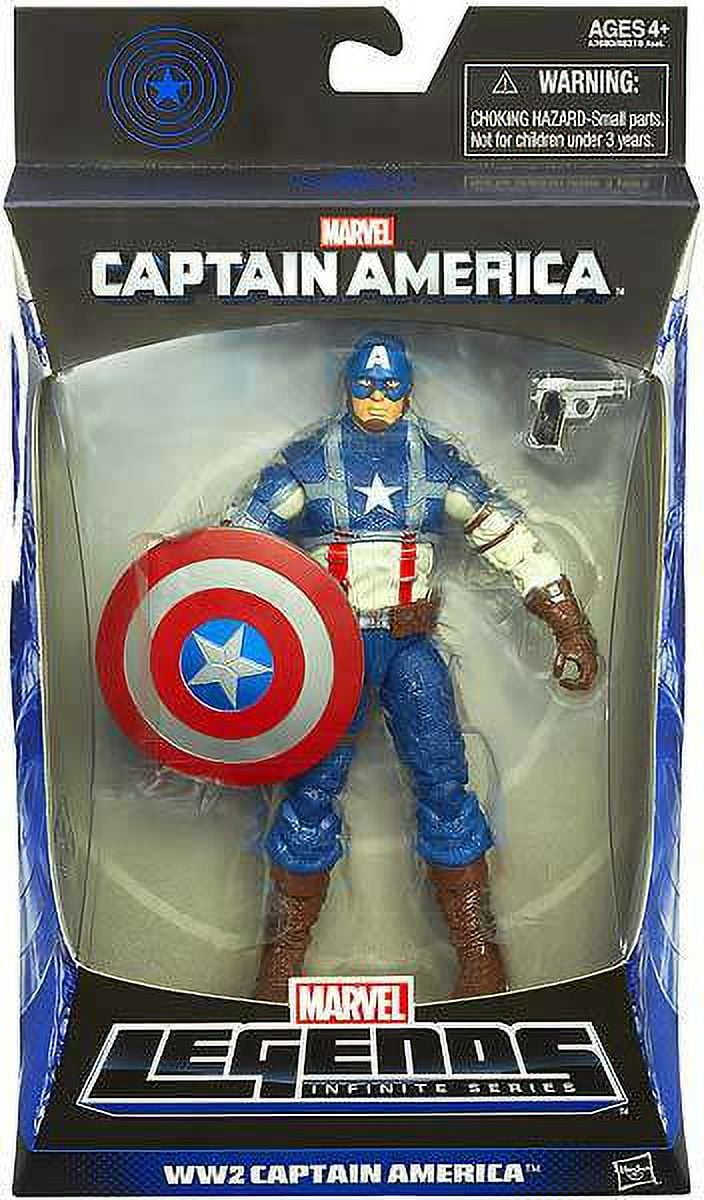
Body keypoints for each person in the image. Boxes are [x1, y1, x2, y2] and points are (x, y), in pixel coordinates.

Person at [226, 332, 598, 1002]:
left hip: (408, 646)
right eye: (365, 387)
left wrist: (566, 620)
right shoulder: (312, 462)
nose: (376, 399)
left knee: (445, 784)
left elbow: (507, 538)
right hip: (330, 654)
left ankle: (478, 952)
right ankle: (281, 959)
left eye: (390, 388)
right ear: (347, 387)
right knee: (310, 791)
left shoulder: (433, 461)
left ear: (408, 390)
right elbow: (239, 542)